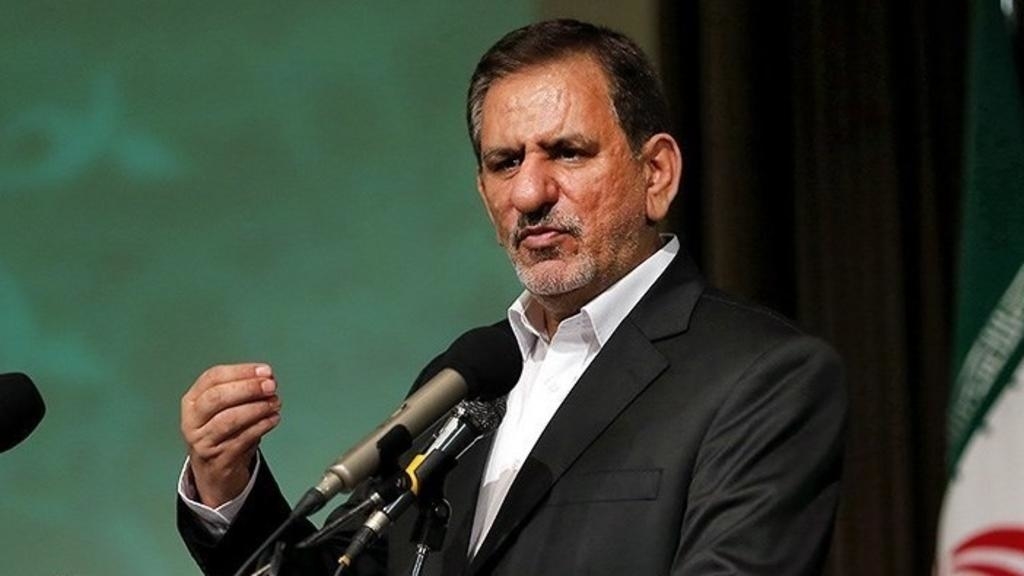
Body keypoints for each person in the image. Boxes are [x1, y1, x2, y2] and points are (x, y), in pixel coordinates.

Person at [178, 19, 847, 576]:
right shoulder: (469, 380)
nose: (530, 193)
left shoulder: (762, 377)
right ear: (483, 194)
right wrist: (226, 485)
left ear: (656, 174)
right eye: (505, 163)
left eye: (568, 152)